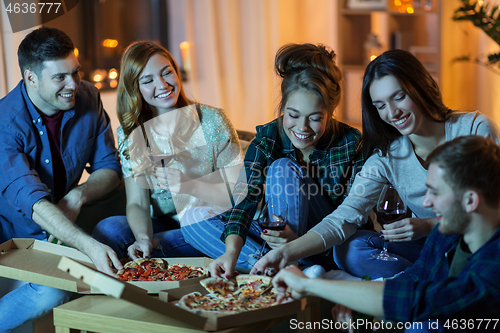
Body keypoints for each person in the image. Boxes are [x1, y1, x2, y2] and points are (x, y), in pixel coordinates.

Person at [252, 49, 500, 279]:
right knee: (351, 247)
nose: (392, 113)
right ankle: (416, 281)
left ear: (420, 86)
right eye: (380, 105)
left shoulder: (474, 128)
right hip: (424, 252)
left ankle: (418, 283)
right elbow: (344, 218)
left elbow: (493, 206)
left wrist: (428, 226)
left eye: (399, 97)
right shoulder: (386, 156)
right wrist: (283, 253)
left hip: (478, 246)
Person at [273, 135, 500, 332]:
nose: (426, 202)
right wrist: (358, 295)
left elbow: (421, 302)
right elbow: (412, 278)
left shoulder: (494, 265)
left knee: (424, 326)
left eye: (435, 192)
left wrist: (310, 285)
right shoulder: (446, 234)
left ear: (470, 201)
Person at [183, 43, 363, 277]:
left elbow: (352, 217)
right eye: (293, 115)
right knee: (192, 218)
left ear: (330, 112)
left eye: (315, 118)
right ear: (283, 108)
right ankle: (287, 269)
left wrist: (297, 242)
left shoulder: (350, 141)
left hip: (324, 243)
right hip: (275, 238)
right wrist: (230, 253)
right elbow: (245, 199)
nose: (302, 127)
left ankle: (290, 263)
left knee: (282, 169)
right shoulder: (268, 136)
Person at [0, 27, 123, 331]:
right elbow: (32, 202)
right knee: (51, 292)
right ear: (31, 78)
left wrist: (77, 196)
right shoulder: (4, 123)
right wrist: (86, 245)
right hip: (12, 234)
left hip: (61, 225)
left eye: (76, 72)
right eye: (60, 78)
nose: (73, 84)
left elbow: (109, 168)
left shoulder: (88, 97)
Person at [92, 41, 243, 261]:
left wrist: (187, 185)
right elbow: (137, 203)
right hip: (164, 222)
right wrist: (143, 237)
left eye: (167, 73)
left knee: (163, 244)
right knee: (109, 229)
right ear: (136, 88)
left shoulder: (211, 120)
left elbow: (236, 196)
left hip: (209, 223)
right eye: (148, 80)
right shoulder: (132, 133)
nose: (162, 85)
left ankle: (158, 259)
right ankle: (151, 257)